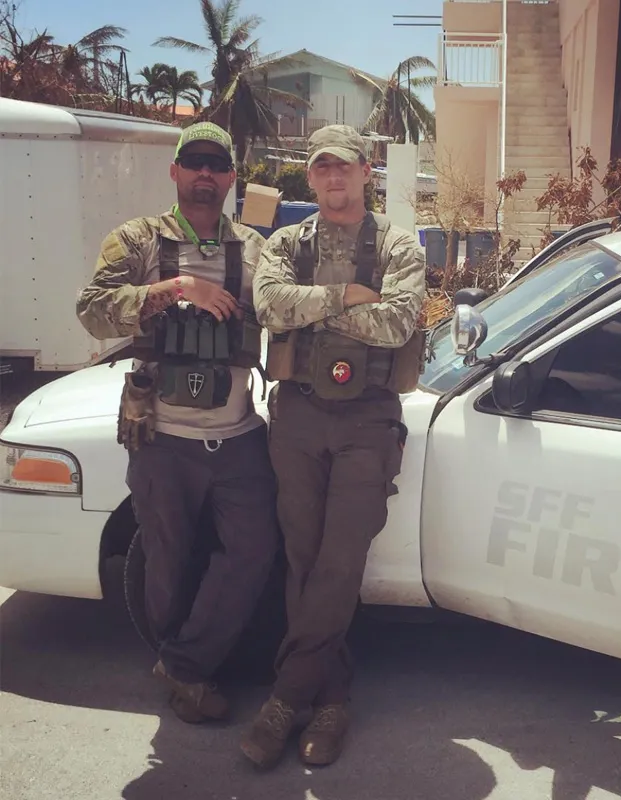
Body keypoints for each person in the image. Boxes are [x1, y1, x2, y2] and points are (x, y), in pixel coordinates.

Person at [76, 121, 280, 724]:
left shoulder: (256, 247)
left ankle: (184, 663)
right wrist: (173, 288)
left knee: (253, 549)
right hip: (163, 437)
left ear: (231, 178)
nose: (205, 173)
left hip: (239, 432)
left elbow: (285, 304)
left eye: (218, 163)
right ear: (175, 171)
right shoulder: (139, 240)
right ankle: (186, 674)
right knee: (166, 558)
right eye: (194, 161)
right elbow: (92, 310)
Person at [239, 124, 427, 769]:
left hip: (367, 420)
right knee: (303, 556)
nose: (333, 178)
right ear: (311, 176)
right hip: (296, 415)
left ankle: (287, 697)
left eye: (343, 167)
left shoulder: (398, 244)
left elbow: (400, 319)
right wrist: (345, 296)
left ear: (365, 171)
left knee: (341, 560)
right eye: (321, 168)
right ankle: (332, 699)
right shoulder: (286, 242)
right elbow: (268, 305)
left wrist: (311, 308)